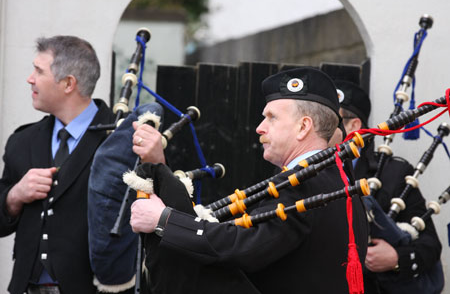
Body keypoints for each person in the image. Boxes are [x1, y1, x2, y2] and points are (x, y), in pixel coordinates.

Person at [129, 67, 369, 293]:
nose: (259, 128)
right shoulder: (337, 179)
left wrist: (164, 221)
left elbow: (245, 248)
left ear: (303, 127)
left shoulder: (303, 183)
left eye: (271, 117)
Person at [0, 35, 160, 294]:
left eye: (39, 71)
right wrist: (14, 196)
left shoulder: (124, 140)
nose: (30, 78)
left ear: (68, 83)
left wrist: (157, 160)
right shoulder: (22, 141)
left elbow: (160, 212)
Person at [330, 78, 443, 294]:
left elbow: (430, 246)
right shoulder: (302, 171)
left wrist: (395, 259)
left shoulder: (394, 173)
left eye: (329, 121)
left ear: (353, 126)